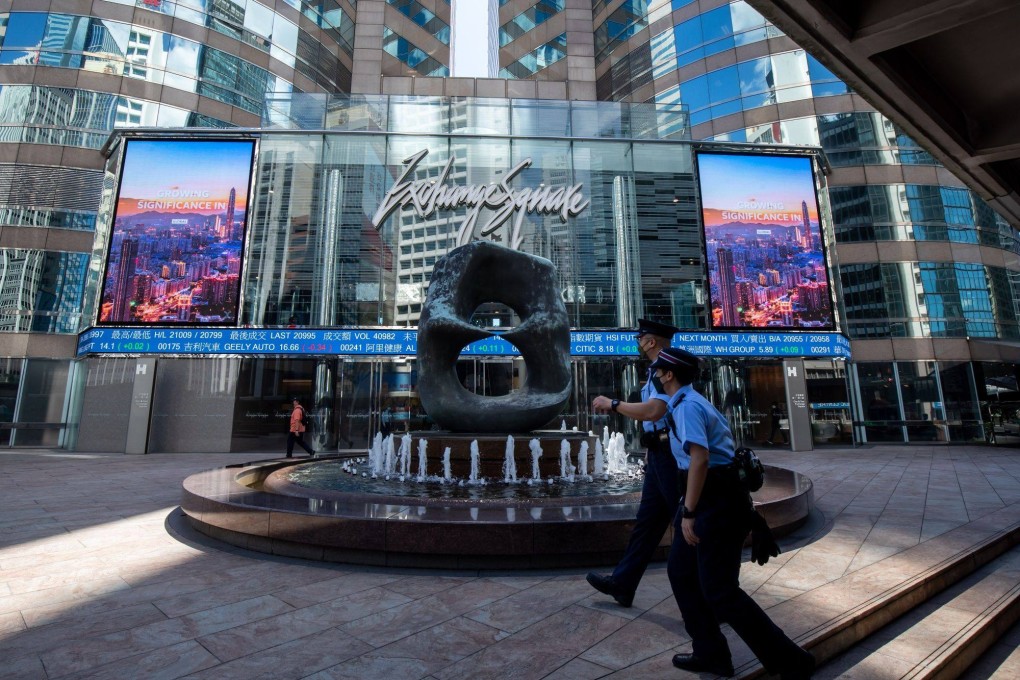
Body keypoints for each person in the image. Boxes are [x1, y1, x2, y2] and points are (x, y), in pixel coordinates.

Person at [650, 347, 814, 679]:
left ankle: (791, 661)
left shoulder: (688, 407)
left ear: (669, 375)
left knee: (720, 591)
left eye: (658, 370)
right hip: (707, 499)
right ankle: (711, 653)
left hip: (716, 504)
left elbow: (700, 460)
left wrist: (689, 512)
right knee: (681, 573)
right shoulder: (686, 403)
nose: (653, 374)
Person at [587, 318, 680, 607]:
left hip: (672, 456)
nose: (638, 343)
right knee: (647, 524)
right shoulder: (655, 370)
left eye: (640, 338)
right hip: (659, 453)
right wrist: (651, 447)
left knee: (687, 522)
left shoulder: (666, 370)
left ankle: (716, 594)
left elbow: (655, 411)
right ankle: (623, 584)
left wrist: (613, 404)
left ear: (651, 342)